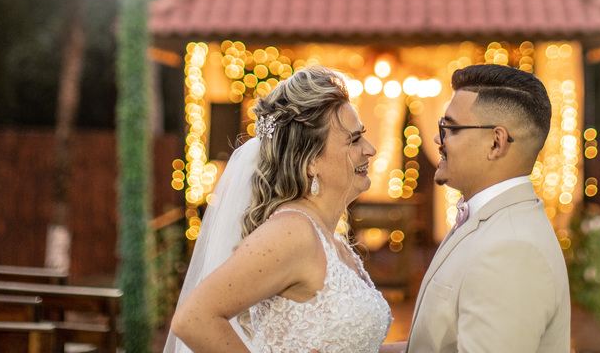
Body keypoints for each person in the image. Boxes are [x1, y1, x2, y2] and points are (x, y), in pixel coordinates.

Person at [166, 66, 404, 353]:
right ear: (310, 161)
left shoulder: (333, 239)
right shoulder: (292, 232)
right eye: (353, 140)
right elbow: (193, 319)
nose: (370, 149)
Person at [406, 64, 570, 353]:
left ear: (496, 143)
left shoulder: (512, 248)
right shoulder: (490, 220)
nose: (437, 139)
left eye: (450, 128)